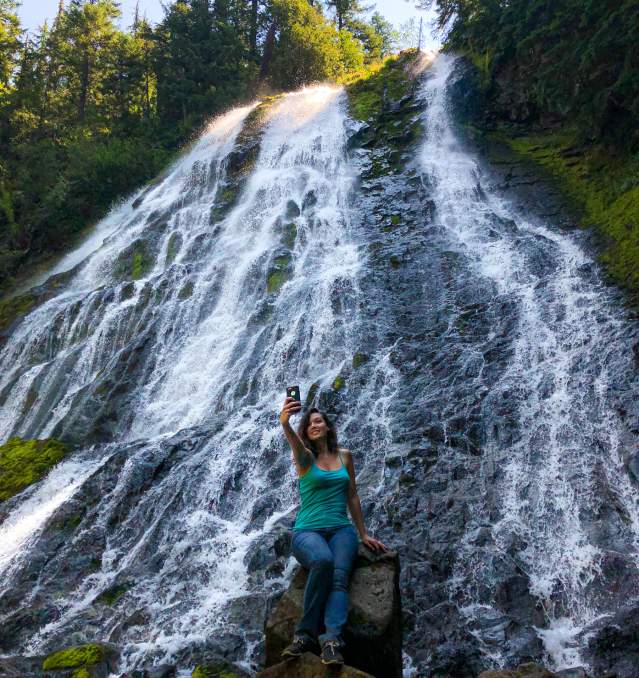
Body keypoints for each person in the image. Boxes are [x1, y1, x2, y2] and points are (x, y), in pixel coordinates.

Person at [279, 396, 389, 666]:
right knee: (323, 561)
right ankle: (304, 635)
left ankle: (331, 641)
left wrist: (362, 534)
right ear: (306, 432)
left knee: (339, 579)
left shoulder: (345, 456)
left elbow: (352, 494)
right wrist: (285, 423)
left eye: (320, 421)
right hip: (308, 532)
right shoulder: (304, 458)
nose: (315, 425)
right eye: (310, 424)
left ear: (327, 427)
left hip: (342, 529)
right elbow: (294, 442)